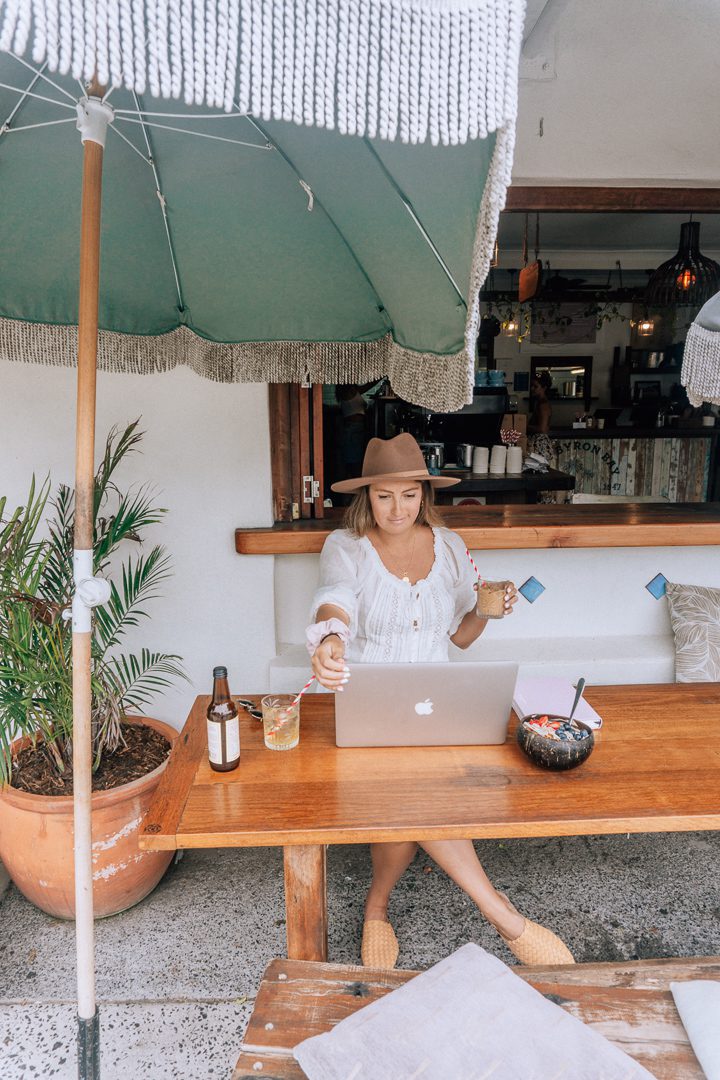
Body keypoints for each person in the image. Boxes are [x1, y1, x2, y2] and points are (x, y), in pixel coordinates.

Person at [306, 433, 574, 970]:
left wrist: (485, 611)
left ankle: (376, 909)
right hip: (371, 707)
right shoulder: (346, 546)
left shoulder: (451, 547)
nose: (397, 508)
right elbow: (333, 598)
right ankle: (502, 916)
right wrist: (330, 638)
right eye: (384, 496)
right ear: (367, 497)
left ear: (424, 494)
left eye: (408, 495)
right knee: (417, 800)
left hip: (435, 705)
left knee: (412, 806)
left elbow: (460, 638)